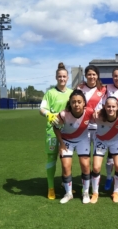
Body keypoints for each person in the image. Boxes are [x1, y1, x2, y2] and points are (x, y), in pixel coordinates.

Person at [53, 90, 94, 204]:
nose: (76, 104)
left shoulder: (90, 112)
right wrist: (61, 143)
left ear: (84, 103)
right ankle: (68, 193)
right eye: (74, 102)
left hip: (83, 140)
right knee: (66, 167)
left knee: (85, 165)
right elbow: (56, 128)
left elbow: (100, 120)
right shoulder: (63, 114)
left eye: (79, 102)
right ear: (70, 103)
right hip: (66, 141)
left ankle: (85, 192)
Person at [39, 62, 72, 200]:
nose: (62, 79)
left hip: (69, 132)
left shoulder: (71, 93)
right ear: (56, 77)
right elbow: (41, 108)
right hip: (52, 131)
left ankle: (67, 188)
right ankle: (51, 188)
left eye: (64, 76)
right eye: (60, 76)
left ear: (67, 78)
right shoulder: (50, 93)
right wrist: (49, 115)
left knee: (67, 160)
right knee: (52, 158)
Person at [92, 97, 118, 203]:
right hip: (100, 141)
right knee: (96, 167)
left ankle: (116, 192)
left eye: (113, 106)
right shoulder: (98, 116)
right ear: (104, 107)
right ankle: (95, 193)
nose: (111, 109)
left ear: (117, 107)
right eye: (108, 106)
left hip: (115, 141)